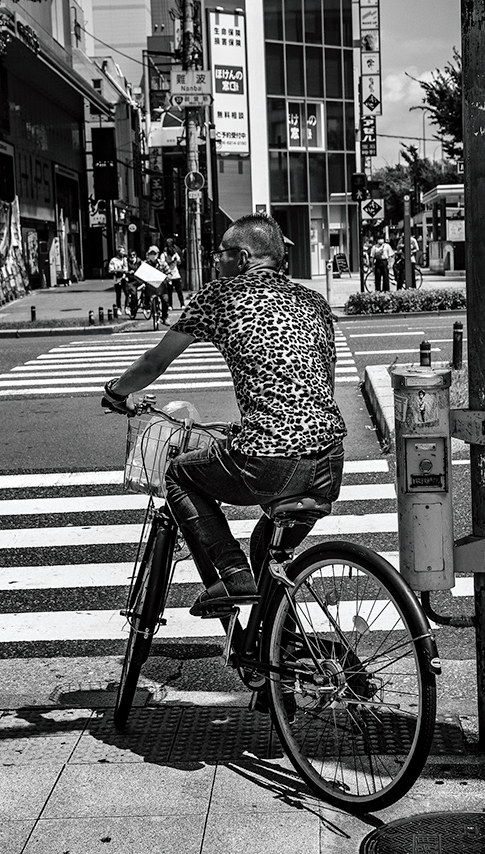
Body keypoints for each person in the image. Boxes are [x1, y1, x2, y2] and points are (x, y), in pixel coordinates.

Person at [102, 213, 346, 616]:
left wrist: (115, 392)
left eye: (221, 254)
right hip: (328, 461)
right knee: (266, 548)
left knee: (179, 473)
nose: (217, 262)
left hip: (270, 459)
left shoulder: (220, 296)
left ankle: (232, 575)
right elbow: (322, 383)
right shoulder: (315, 303)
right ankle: (272, 644)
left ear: (244, 256)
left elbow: (153, 364)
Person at [162, 239, 184, 308]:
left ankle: (182, 304)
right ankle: (170, 305)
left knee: (179, 290)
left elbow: (179, 261)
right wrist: (170, 262)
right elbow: (162, 263)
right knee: (169, 291)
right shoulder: (164, 254)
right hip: (168, 275)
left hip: (176, 275)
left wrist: (176, 260)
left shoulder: (175, 253)